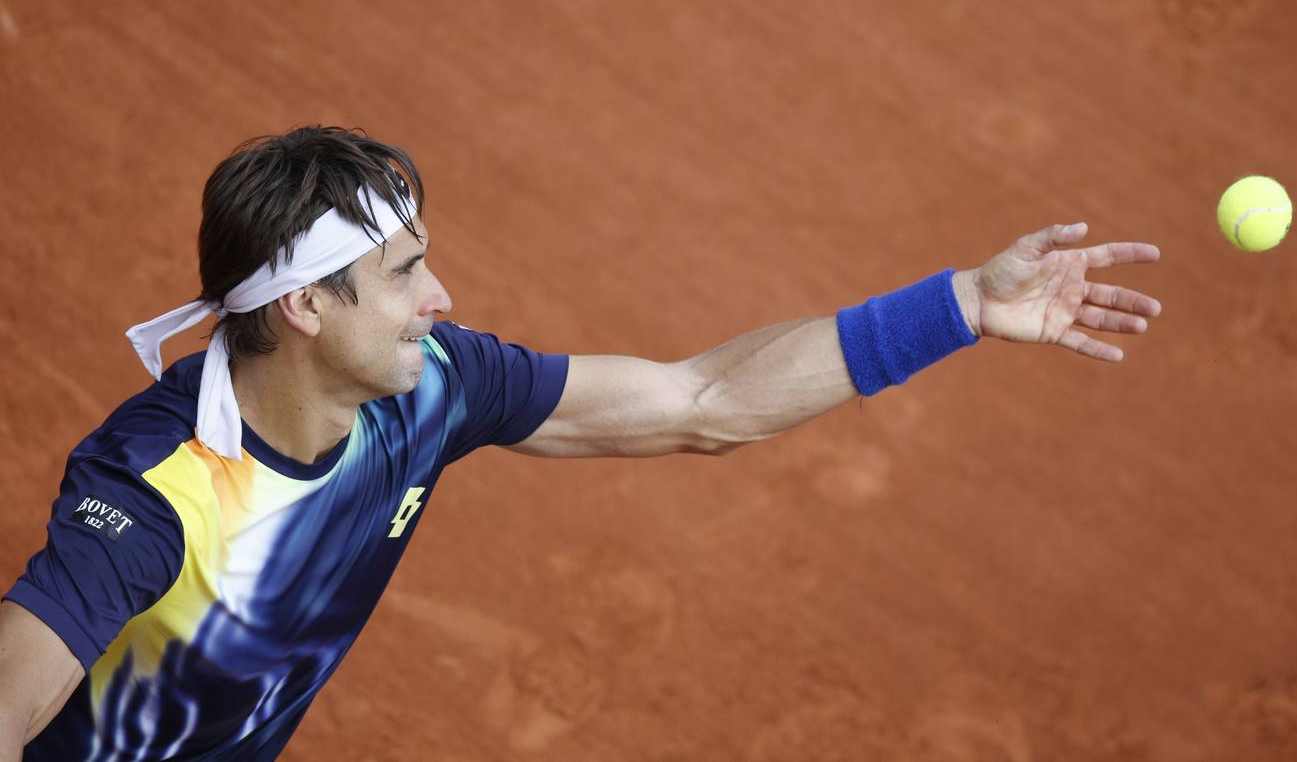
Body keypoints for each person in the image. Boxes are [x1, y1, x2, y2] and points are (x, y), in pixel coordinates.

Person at [0, 126, 1162, 760]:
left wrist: (959, 303)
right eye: (405, 277)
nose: (441, 298)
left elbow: (700, 402)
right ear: (307, 309)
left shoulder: (431, 389)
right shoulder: (159, 492)